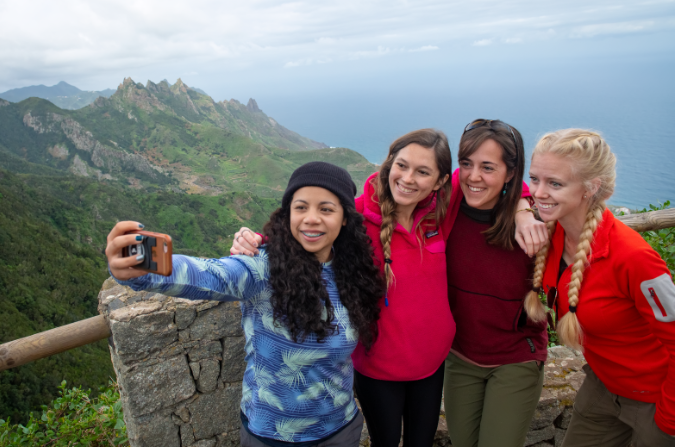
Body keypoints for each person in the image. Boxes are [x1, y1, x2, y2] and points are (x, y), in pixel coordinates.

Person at [231, 128, 547, 447]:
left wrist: (522, 209)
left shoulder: (443, 209)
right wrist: (257, 241)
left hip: (431, 364)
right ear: (389, 165)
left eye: (423, 172)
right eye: (402, 165)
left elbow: (491, 176)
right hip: (376, 366)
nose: (408, 178)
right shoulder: (354, 216)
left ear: (438, 181)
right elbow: (307, 230)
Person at [106, 162, 384, 447]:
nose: (311, 218)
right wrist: (141, 267)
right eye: (300, 207)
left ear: (345, 218)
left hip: (339, 430)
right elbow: (209, 275)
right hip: (271, 435)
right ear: (288, 213)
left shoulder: (352, 272)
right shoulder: (264, 268)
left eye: (326, 209)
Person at [526, 129, 675, 447]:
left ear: (590, 188)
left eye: (554, 183)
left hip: (656, 397)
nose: (538, 192)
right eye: (534, 179)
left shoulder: (634, 258)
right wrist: (519, 212)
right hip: (602, 385)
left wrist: (668, 420)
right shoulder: (551, 236)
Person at [441, 119, 549, 447]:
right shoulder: (446, 208)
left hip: (515, 357)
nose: (474, 176)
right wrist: (522, 203)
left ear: (511, 172)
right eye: (467, 164)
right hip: (460, 356)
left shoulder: (531, 229)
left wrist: (521, 208)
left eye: (488, 167)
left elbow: (560, 282)